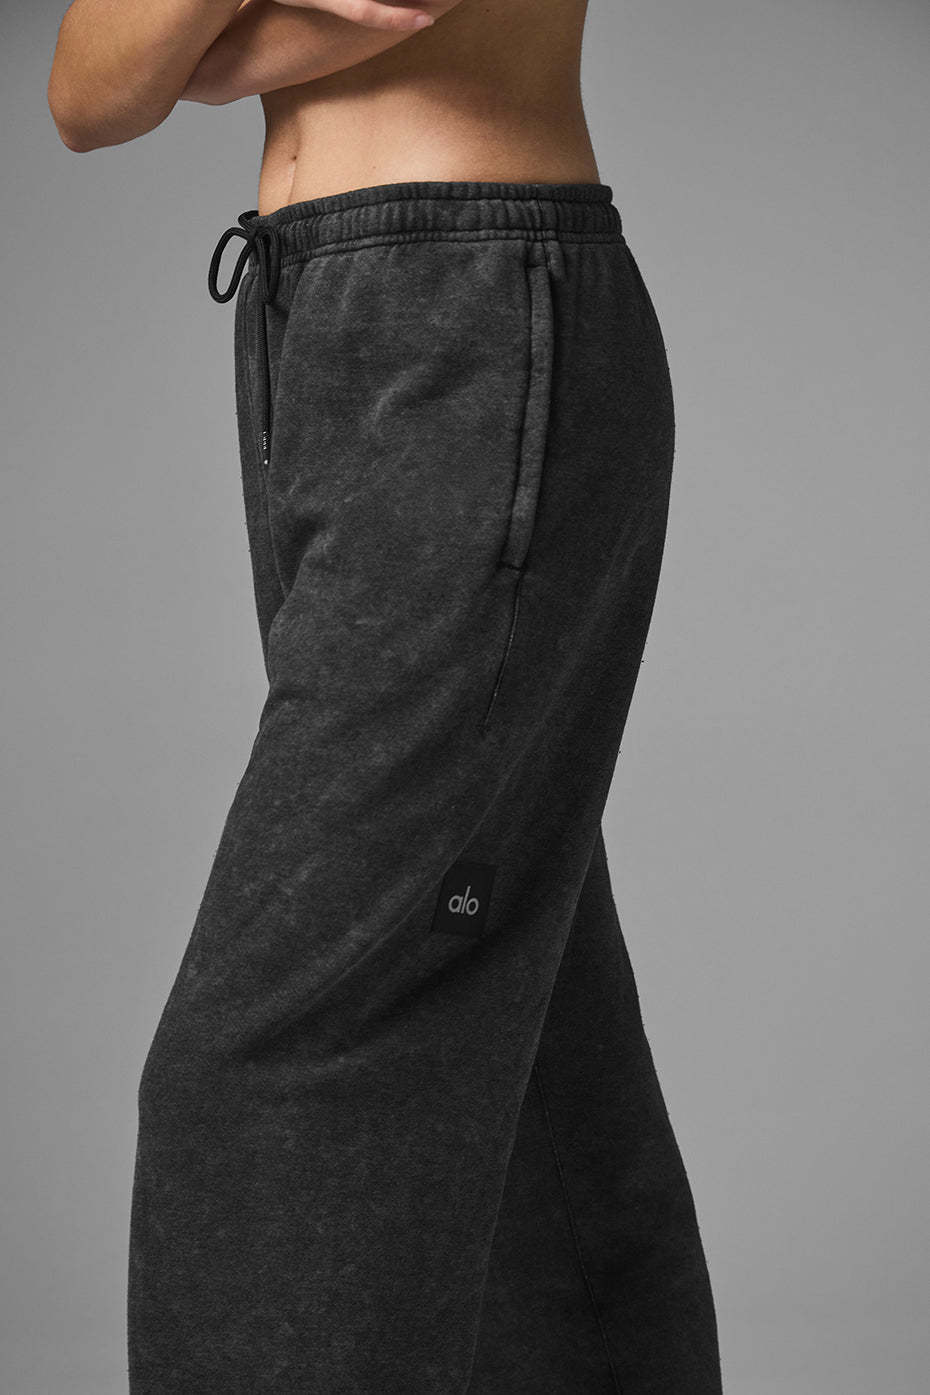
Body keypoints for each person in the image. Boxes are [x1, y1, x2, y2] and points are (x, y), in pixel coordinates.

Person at [48, 2, 725, 1390]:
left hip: (469, 306)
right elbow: (88, 93)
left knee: (266, 1069)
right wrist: (188, 59)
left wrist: (200, 57)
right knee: (525, 1035)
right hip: (314, 321)